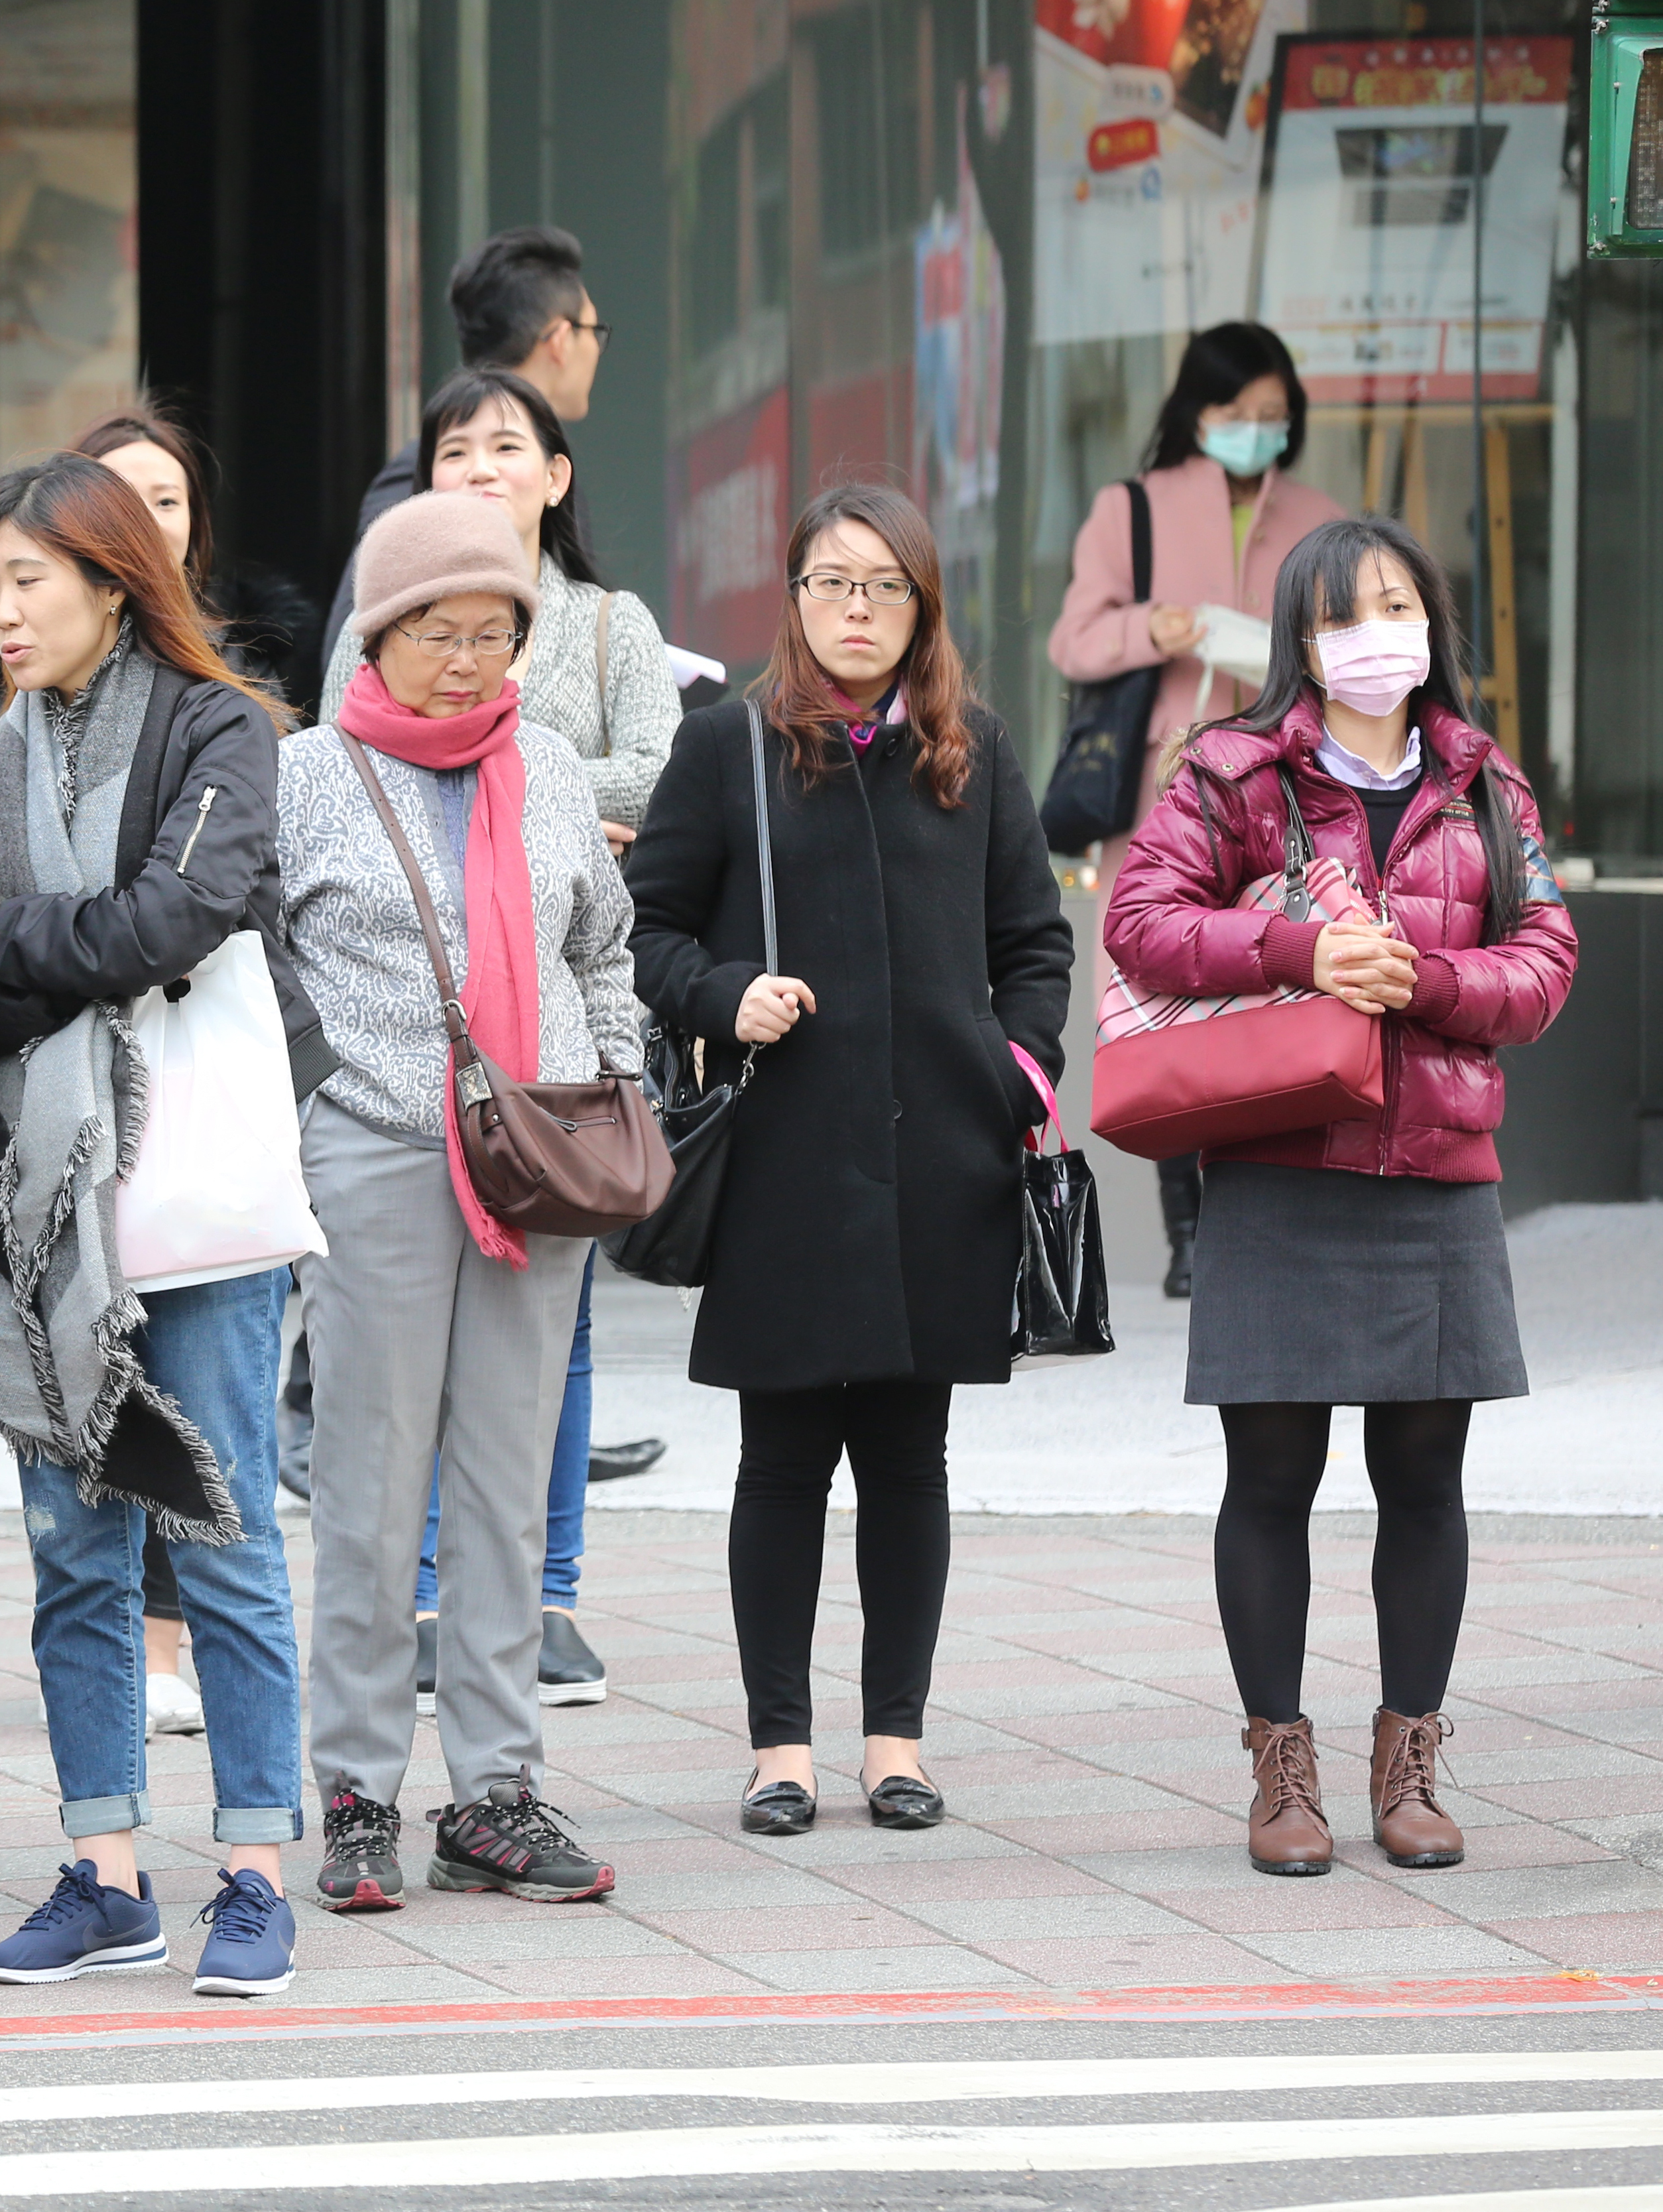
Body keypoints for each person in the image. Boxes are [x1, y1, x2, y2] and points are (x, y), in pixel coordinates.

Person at [1104, 517, 1574, 1879]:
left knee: (1425, 1475)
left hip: (1438, 1170)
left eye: (1400, 608)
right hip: (1279, 1163)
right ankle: (1281, 1768)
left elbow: (1545, 961)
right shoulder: (1233, 771)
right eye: (1347, 615)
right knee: (1270, 1475)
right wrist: (1300, 950)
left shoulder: (1488, 783)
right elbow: (1140, 922)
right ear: (1302, 642)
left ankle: (1408, 1759)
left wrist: (1423, 979)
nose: (1379, 636)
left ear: (1433, 626)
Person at [624, 485, 1073, 1840]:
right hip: (785, 1162)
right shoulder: (728, 746)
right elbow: (648, 931)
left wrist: (1015, 1072)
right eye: (831, 582)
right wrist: (725, 996)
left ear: (921, 604)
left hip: (942, 1158)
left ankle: (894, 1743)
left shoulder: (971, 748)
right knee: (780, 1461)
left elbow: (1034, 942)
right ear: (796, 597)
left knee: (908, 1459)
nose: (857, 609)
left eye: (885, 586)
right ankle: (780, 1749)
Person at [0, 454, 328, 2001]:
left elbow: (183, 914)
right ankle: (105, 1873)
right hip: (47, 1206)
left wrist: (29, 947)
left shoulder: (219, 725)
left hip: (196, 1192)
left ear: (112, 580)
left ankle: (255, 1874)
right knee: (72, 1555)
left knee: (221, 1533)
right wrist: (63, 953)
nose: (3, 609)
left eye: (28, 579)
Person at [282, 491, 634, 1915]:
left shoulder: (542, 767)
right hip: (375, 1151)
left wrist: (613, 1077)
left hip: (533, 1152)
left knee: (503, 1480)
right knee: (370, 1492)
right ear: (378, 634)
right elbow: (257, 969)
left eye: (496, 633)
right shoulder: (306, 774)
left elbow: (602, 942)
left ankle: (494, 1791)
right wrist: (316, 1108)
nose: (468, 661)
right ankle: (358, 1793)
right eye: (438, 631)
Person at [321, 363, 684, 1714]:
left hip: (546, 1085)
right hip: (394, 1104)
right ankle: (403, 1658)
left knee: (539, 1378)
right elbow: (336, 767)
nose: (481, 469)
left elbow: (657, 787)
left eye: (505, 447)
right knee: (392, 1405)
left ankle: (541, 1627)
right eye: (455, 451)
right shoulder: (369, 645)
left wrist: (515, 768)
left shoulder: (596, 644)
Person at [1048, 321, 1343, 1298]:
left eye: (1275, 414)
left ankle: (1256, 1219)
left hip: (1290, 791)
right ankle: (1190, 1236)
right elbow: (1074, 641)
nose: (1259, 429)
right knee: (1167, 989)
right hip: (1163, 792)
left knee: (1277, 984)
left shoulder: (1320, 517)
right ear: (1197, 412)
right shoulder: (1132, 508)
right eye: (1237, 411)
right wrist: (1155, 627)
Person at [0, 404, 318, 746]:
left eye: (166, 502)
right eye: (119, 504)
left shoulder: (248, 654)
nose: (144, 525)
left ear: (195, 522)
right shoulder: (15, 666)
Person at [324, 226, 607, 648]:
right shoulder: (426, 473)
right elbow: (358, 640)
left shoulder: (612, 620)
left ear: (556, 477)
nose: (480, 470)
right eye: (594, 331)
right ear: (562, 340)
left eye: (507, 447)